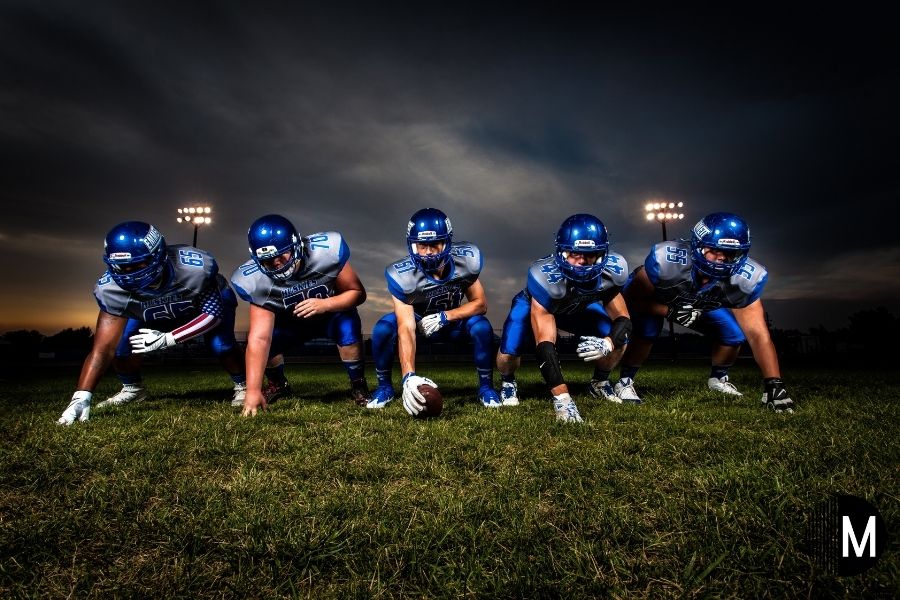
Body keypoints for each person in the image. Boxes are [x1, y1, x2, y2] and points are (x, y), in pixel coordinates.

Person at [57, 221, 247, 425]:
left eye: (138, 265)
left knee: (221, 344)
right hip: (151, 314)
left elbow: (213, 315)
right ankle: (133, 389)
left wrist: (168, 339)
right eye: (123, 267)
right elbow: (103, 350)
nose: (130, 274)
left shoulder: (194, 268)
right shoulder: (110, 290)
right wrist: (81, 396)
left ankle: (243, 385)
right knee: (121, 347)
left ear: (159, 255)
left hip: (200, 307)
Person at [611, 212, 795, 412]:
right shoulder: (666, 261)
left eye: (730, 253)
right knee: (647, 331)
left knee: (733, 335)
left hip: (700, 304)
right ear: (698, 245)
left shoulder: (745, 280)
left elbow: (758, 334)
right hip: (657, 300)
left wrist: (774, 383)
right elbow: (632, 301)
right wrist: (669, 311)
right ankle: (625, 381)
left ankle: (718, 379)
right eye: (716, 250)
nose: (722, 258)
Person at [495, 214, 632, 422]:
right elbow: (545, 345)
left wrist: (609, 342)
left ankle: (600, 383)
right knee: (509, 350)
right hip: (540, 304)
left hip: (579, 307)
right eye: (574, 254)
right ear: (561, 252)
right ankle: (507, 381)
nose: (581, 262)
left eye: (590, 254)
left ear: (603, 253)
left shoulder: (614, 271)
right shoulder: (544, 278)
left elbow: (624, 320)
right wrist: (563, 399)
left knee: (619, 337)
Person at [231, 214, 369, 416]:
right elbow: (260, 338)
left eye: (281, 256)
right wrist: (252, 390)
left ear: (296, 246)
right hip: (290, 323)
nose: (277, 264)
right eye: (268, 261)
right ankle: (278, 384)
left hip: (330, 315)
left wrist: (326, 304)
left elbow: (357, 293)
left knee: (348, 327)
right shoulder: (253, 280)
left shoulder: (327, 252)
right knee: (265, 343)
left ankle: (358, 383)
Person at [366, 207, 501, 415]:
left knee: (482, 327)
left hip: (452, 321)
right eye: (422, 245)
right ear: (413, 245)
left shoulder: (465, 261)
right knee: (383, 328)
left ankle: (486, 387)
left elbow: (480, 304)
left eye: (434, 245)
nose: (428, 252)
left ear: (446, 242)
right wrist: (408, 376)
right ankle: (385, 387)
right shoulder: (402, 275)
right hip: (418, 322)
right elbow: (406, 327)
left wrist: (446, 316)